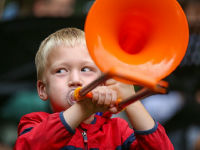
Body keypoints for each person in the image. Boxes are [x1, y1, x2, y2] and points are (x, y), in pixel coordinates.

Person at [14, 27, 174, 149]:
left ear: (102, 82)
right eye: (61, 71)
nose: (75, 80)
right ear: (42, 89)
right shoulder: (33, 122)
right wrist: (83, 109)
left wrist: (131, 102)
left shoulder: (118, 130)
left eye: (85, 69)